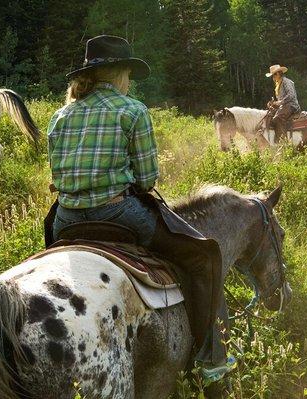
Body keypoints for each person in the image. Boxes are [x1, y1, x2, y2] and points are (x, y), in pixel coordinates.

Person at [47, 34, 231, 383]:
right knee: (204, 256)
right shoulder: (132, 110)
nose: (129, 81)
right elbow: (147, 180)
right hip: (119, 215)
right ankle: (211, 361)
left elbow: (57, 176)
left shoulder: (60, 116)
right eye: (128, 73)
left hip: (66, 220)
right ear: (118, 73)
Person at [265, 64, 301, 140]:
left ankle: (283, 142)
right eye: (272, 75)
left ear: (278, 73)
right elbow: (281, 100)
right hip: (285, 106)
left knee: (277, 118)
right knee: (269, 115)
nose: (273, 77)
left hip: (292, 105)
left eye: (274, 75)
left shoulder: (286, 82)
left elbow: (291, 95)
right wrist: (273, 103)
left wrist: (279, 102)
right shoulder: (279, 83)